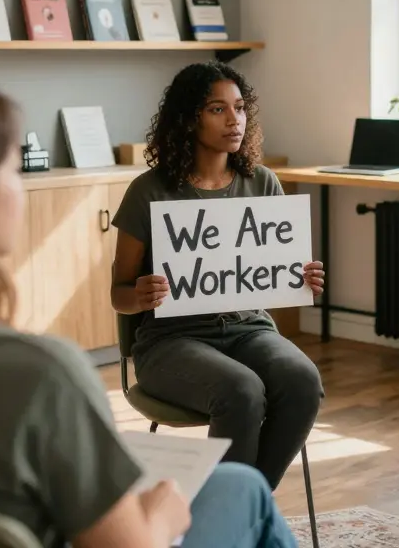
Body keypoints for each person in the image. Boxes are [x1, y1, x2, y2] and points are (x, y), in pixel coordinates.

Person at [0, 74, 296, 548]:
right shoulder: (41, 376)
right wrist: (161, 516)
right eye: (13, 170)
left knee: (241, 482)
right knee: (246, 495)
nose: (20, 188)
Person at [111, 61, 325, 490]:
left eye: (241, 107)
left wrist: (299, 276)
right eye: (217, 109)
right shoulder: (149, 190)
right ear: (189, 119)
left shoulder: (262, 182)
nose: (235, 120)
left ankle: (243, 508)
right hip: (171, 341)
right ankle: (231, 521)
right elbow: (119, 295)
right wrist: (141, 294)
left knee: (303, 381)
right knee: (241, 391)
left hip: (249, 330)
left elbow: (269, 268)